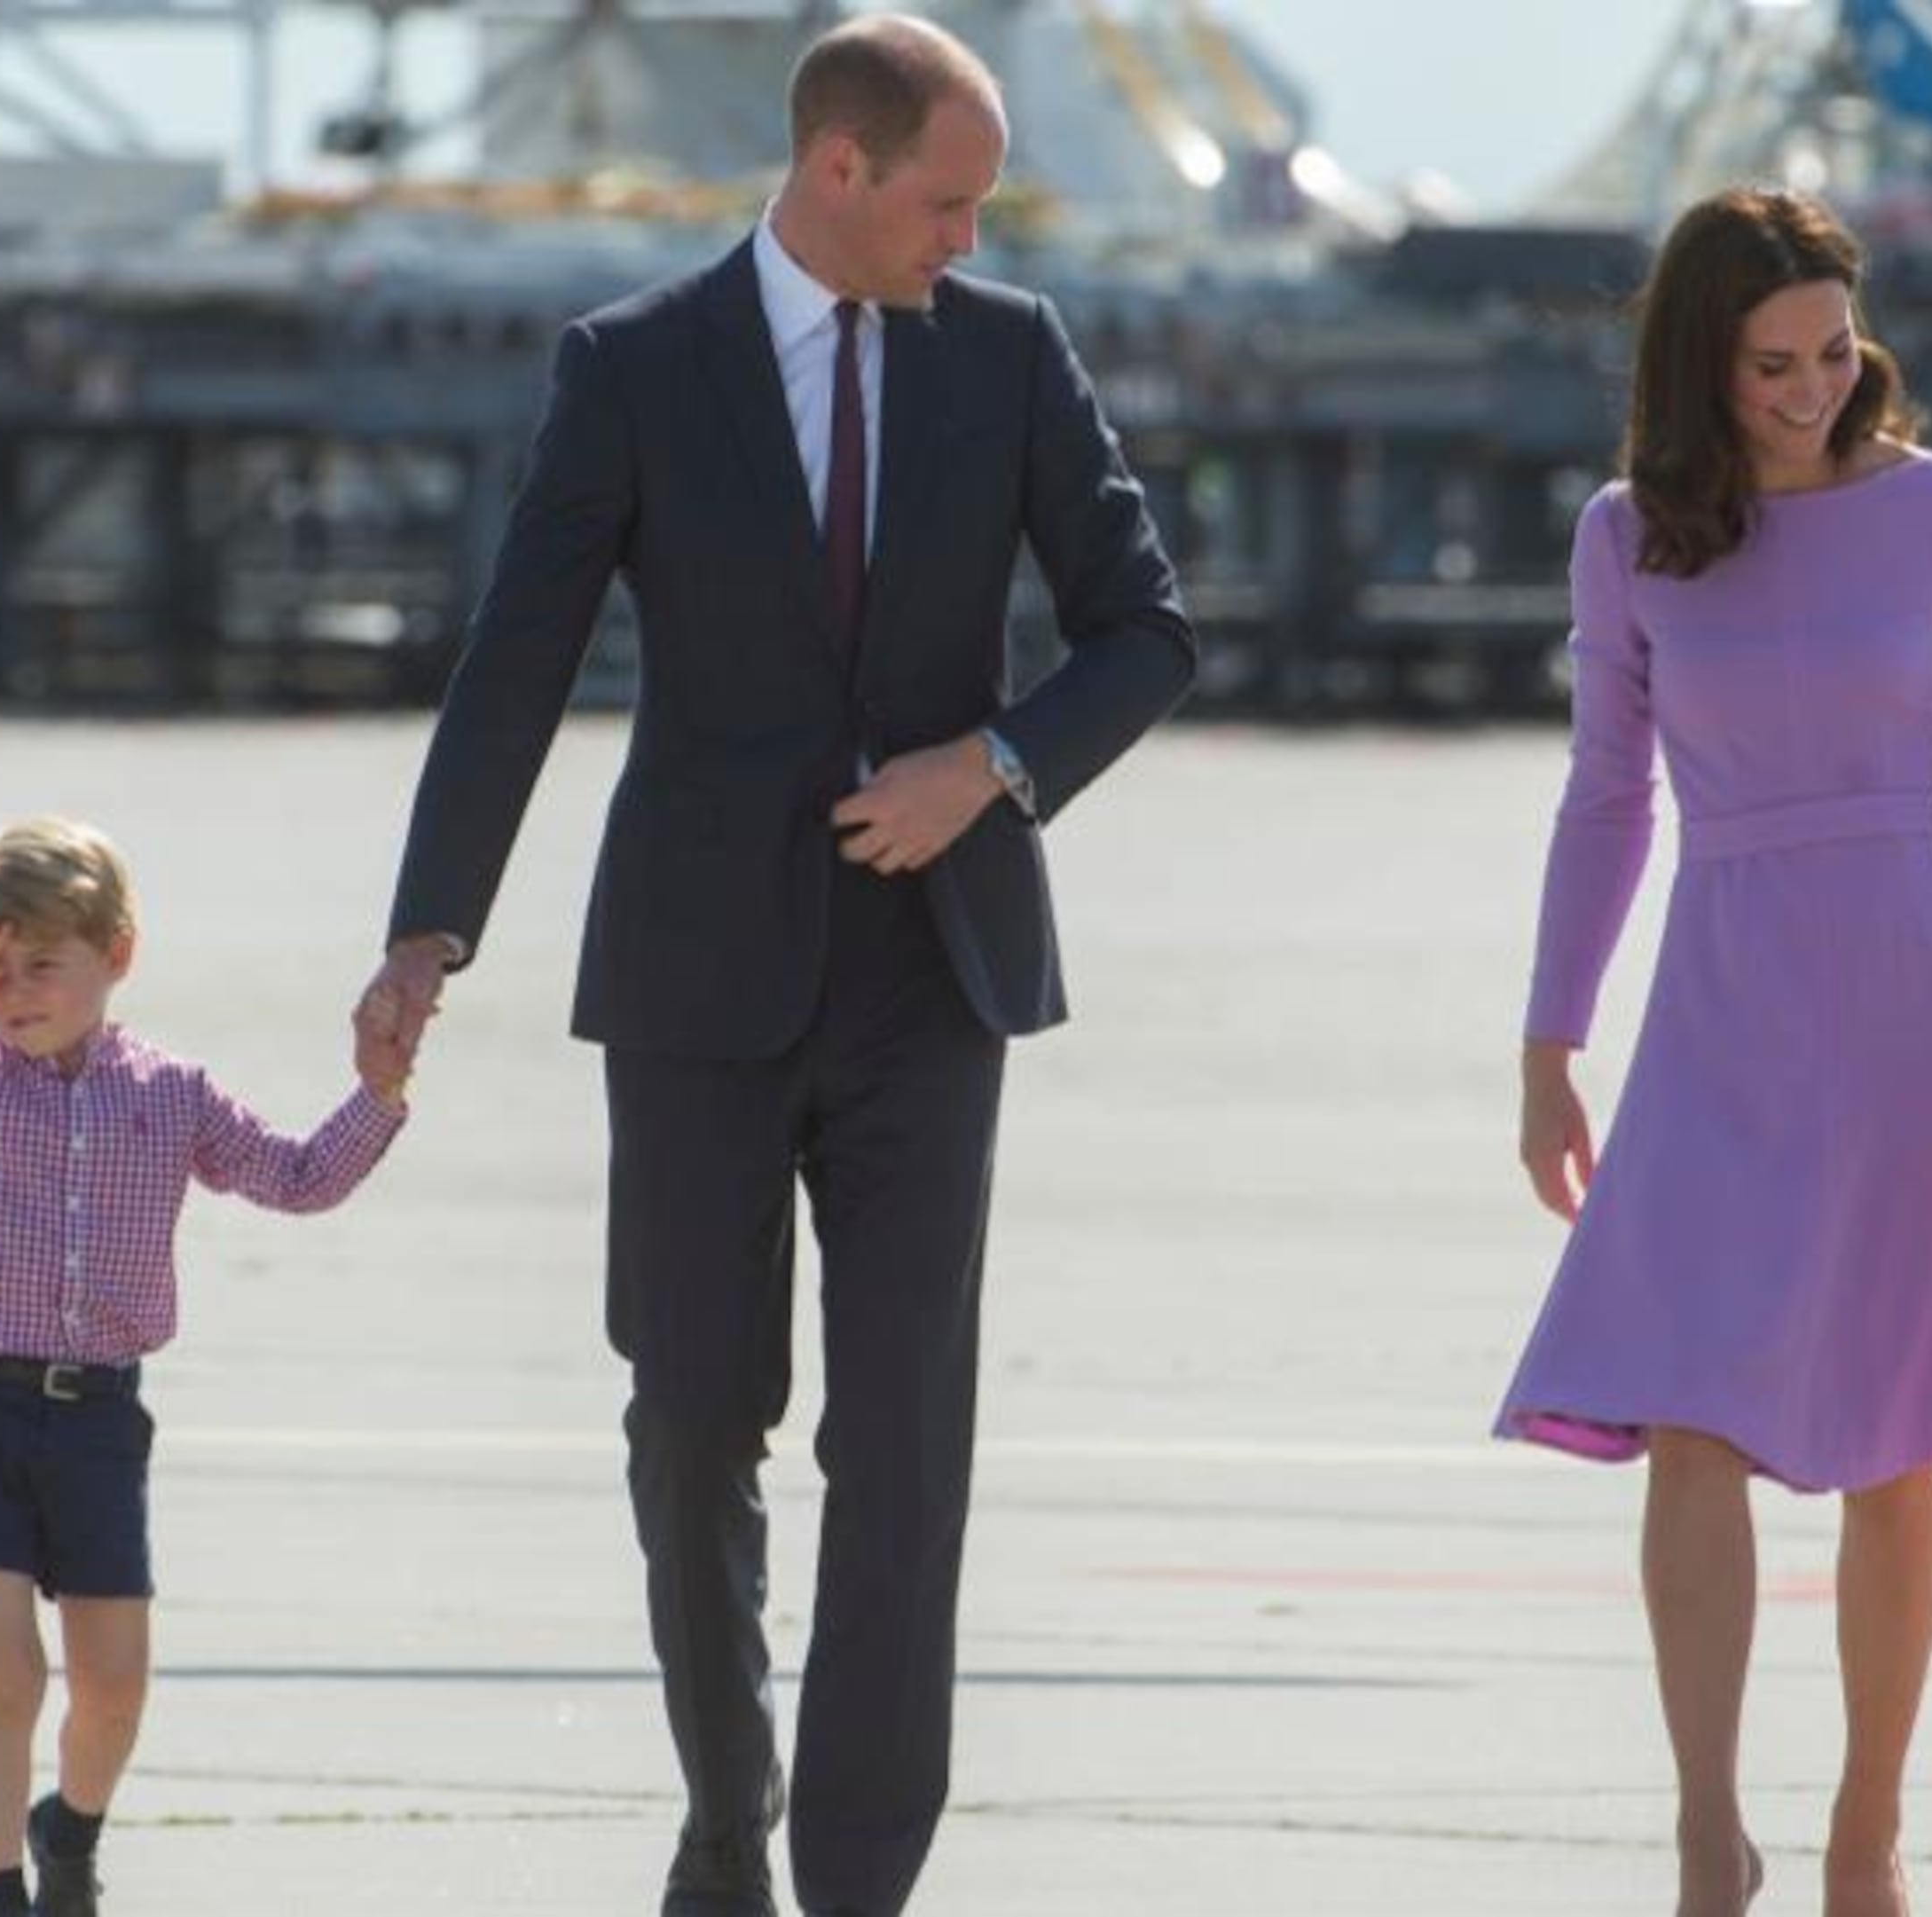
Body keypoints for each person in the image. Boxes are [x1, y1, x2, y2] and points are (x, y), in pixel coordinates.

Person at [351, 15, 1192, 1914]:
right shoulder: (634, 369)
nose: (968, 240)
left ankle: (860, 1881)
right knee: (690, 1422)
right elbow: (520, 655)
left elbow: (1147, 631)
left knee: (903, 1452)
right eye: (947, 202)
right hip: (693, 979)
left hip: (935, 982)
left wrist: (987, 770)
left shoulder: (1011, 358)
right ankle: (726, 1826)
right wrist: (429, 927)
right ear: (839, 168)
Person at [1491, 185, 1932, 1917]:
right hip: (1718, 1007)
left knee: (1891, 1431)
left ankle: (1867, 1829)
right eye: (1773, 361)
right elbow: (1606, 796)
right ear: (1702, 360)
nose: (1813, 385)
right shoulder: (1630, 533)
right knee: (1693, 1417)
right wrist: (1551, 1041)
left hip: (1909, 999)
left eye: (1835, 348)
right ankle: (1709, 1830)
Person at [0, 817, 408, 1917]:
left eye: (44, 966)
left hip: (97, 1422)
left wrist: (378, 1095)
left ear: (116, 955)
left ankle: (67, 1826)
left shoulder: (171, 1094)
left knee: (113, 1686)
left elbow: (300, 1178)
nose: (15, 995)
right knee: (7, 1672)